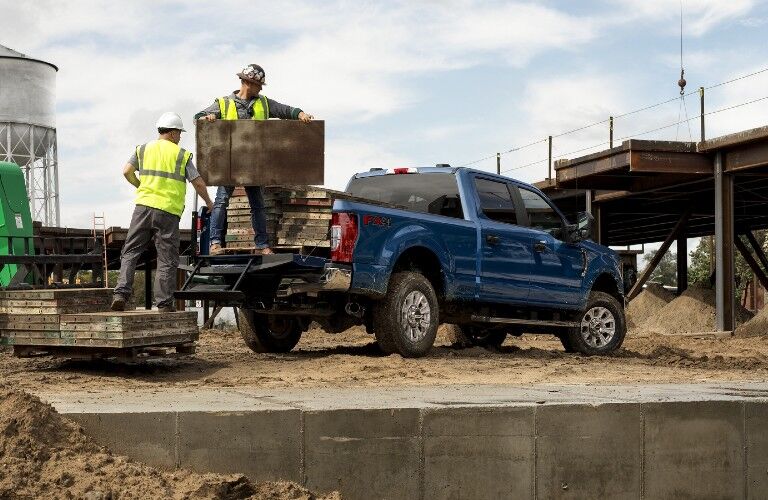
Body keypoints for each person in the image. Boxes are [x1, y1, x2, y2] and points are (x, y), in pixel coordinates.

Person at [195, 63, 314, 255]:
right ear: (249, 83)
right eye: (259, 85)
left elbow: (284, 110)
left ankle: (262, 245)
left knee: (258, 205)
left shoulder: (264, 103)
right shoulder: (224, 103)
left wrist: (300, 114)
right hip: (230, 162)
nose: (261, 88)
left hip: (253, 164)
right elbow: (198, 117)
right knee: (221, 201)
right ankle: (215, 243)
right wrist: (205, 118)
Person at [111, 112, 214, 312]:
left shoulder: (143, 149)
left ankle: (120, 294)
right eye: (180, 133)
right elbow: (198, 183)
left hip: (143, 207)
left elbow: (126, 171)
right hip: (168, 212)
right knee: (166, 258)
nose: (180, 137)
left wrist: (140, 186)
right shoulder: (181, 155)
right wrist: (209, 203)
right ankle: (164, 304)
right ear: (174, 133)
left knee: (130, 252)